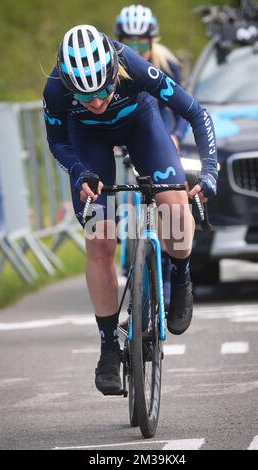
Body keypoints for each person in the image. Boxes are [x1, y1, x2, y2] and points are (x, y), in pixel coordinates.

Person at [43, 25, 218, 396]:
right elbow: (57, 141)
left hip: (141, 124)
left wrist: (210, 171)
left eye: (104, 90)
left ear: (113, 72)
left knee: (173, 206)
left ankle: (181, 275)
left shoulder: (134, 67)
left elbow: (197, 113)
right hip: (87, 142)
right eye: (85, 96)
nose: (97, 102)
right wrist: (79, 172)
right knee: (100, 240)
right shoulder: (56, 88)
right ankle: (108, 346)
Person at [115, 5, 188, 308]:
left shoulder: (167, 64)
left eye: (142, 43)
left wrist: (176, 136)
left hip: (161, 135)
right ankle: (125, 237)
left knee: (168, 207)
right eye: (129, 43)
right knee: (120, 188)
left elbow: (184, 108)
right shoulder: (113, 67)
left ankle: (171, 276)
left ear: (152, 41)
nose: (136, 49)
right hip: (129, 136)